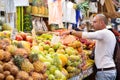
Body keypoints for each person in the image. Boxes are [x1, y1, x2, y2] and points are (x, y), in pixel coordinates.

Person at [62, 14, 117, 80]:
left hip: (104, 72)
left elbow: (87, 35)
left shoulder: (104, 33)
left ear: (102, 22)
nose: (92, 24)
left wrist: (71, 32)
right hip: (108, 70)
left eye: (95, 22)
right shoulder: (108, 33)